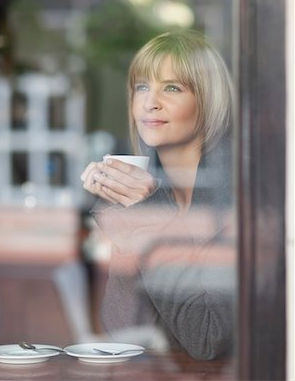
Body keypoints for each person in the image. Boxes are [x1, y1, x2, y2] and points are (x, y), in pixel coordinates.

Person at [80, 30, 236, 360]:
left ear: (208, 100)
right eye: (142, 87)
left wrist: (149, 216)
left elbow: (206, 339)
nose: (150, 102)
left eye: (172, 87)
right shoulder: (161, 193)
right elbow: (124, 328)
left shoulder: (231, 196)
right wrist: (126, 220)